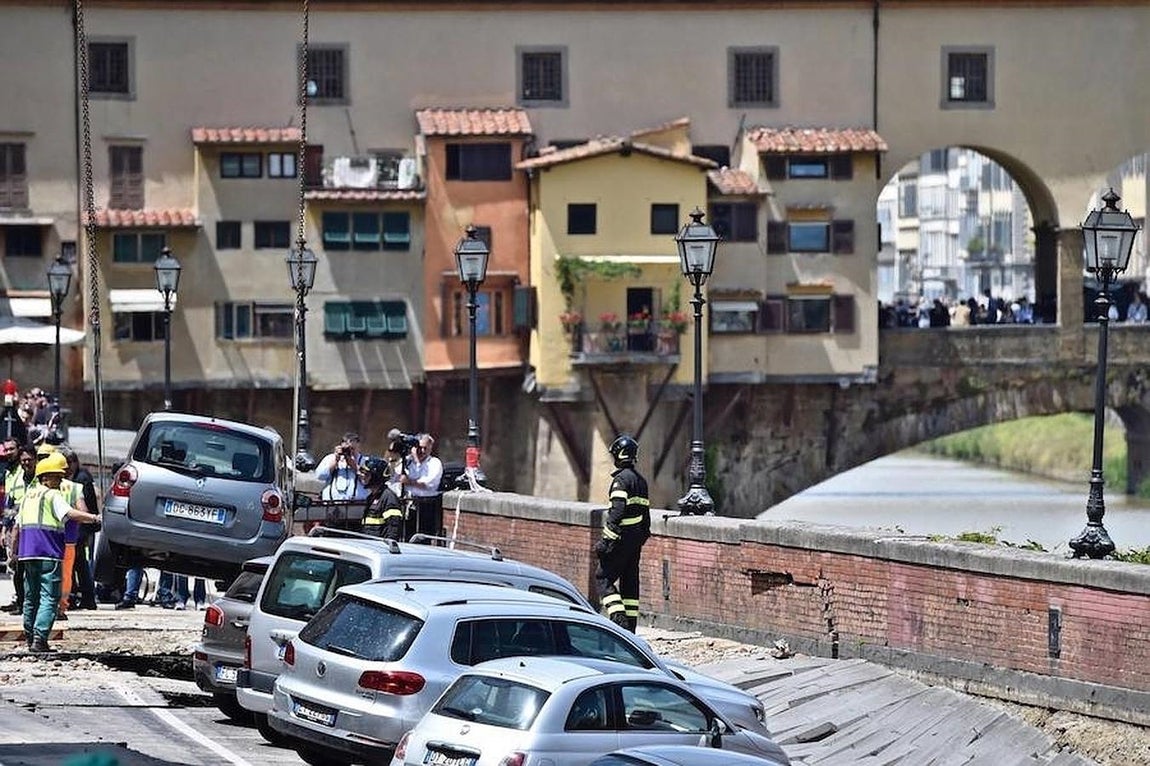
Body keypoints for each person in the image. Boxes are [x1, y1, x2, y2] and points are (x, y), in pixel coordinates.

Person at [12, 451, 99, 653]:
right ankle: (40, 639)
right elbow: (70, 513)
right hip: (48, 552)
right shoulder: (52, 495)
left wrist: (14, 552)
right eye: (57, 477)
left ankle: (30, 637)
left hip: (27, 554)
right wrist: (94, 518)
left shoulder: (27, 497)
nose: (60, 481)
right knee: (50, 597)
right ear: (45, 477)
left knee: (31, 597)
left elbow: (17, 527)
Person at [593, 434, 650, 633]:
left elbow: (616, 513)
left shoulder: (621, 481)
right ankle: (630, 630)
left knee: (603, 578)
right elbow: (646, 516)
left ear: (619, 455)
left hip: (621, 539)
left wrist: (606, 541)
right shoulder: (641, 481)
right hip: (635, 540)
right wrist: (641, 538)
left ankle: (619, 621)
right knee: (629, 582)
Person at [65, 449, 99, 610]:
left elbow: (84, 507)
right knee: (79, 563)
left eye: (69, 463)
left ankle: (82, 596)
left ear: (75, 463)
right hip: (76, 527)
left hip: (82, 527)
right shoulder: (74, 477)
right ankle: (84, 597)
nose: (67, 467)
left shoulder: (81, 479)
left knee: (78, 563)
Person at [401, 434, 443, 538]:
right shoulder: (408, 461)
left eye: (425, 448)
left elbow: (428, 484)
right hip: (410, 504)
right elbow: (394, 475)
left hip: (426, 505)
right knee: (407, 536)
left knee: (423, 538)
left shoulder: (434, 463)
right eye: (420, 448)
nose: (422, 451)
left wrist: (409, 481)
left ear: (430, 448)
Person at [358, 455, 405, 540]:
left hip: (380, 545)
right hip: (369, 543)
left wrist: (389, 544)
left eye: (366, 474)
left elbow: (393, 527)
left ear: (376, 477)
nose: (362, 476)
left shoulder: (389, 497)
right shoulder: (371, 497)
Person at [315, 432, 369, 501]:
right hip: (331, 504)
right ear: (341, 445)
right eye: (347, 449)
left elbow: (367, 480)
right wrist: (335, 461)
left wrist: (353, 464)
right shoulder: (330, 458)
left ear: (358, 446)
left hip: (356, 504)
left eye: (352, 449)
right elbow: (320, 476)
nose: (350, 451)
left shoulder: (365, 461)